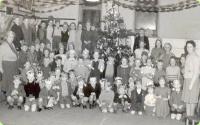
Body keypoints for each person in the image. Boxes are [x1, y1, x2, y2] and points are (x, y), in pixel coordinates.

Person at [182, 40, 200, 117]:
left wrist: (191, 84)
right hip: (187, 80)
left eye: (190, 46)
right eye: (187, 46)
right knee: (187, 100)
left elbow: (197, 72)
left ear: (194, 48)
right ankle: (188, 118)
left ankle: (191, 118)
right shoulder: (188, 56)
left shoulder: (196, 57)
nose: (188, 48)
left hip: (193, 81)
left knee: (192, 100)